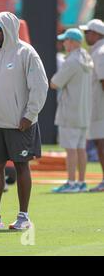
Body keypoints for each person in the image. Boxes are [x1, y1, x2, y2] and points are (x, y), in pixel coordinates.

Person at [0, 12, 48, 230]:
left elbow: (40, 87)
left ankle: (23, 217)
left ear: (8, 29)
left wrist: (29, 116)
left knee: (21, 165)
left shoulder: (27, 53)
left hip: (19, 123)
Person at [50, 28, 93, 193]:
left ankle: (71, 182)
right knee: (80, 148)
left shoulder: (72, 61)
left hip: (70, 111)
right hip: (84, 111)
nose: (64, 43)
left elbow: (55, 83)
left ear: (73, 42)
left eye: (66, 40)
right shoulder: (86, 57)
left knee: (71, 149)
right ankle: (81, 182)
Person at [80, 19, 104, 192]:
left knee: (101, 143)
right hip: (97, 106)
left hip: (100, 107)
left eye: (87, 32)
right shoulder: (97, 51)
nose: (85, 35)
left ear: (96, 34)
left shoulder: (100, 52)